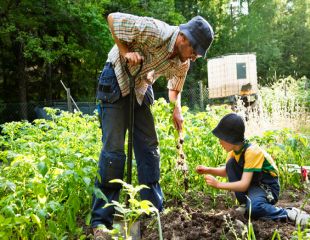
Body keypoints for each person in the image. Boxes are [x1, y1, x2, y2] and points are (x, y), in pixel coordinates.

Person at [92, 12, 214, 239]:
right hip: (117, 76)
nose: (196, 56)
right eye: (195, 49)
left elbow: (174, 87)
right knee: (114, 151)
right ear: (183, 38)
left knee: (149, 148)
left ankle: (153, 211)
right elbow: (113, 19)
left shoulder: (183, 62)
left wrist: (176, 108)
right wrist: (125, 51)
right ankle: (101, 220)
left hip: (140, 85)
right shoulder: (155, 30)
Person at [196, 113, 310, 227]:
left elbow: (244, 185)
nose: (219, 141)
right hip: (253, 185)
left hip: (267, 187)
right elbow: (227, 171)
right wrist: (208, 170)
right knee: (231, 164)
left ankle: (290, 213)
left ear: (230, 138)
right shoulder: (234, 152)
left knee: (255, 209)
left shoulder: (252, 151)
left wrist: (218, 184)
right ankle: (246, 205)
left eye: (221, 138)